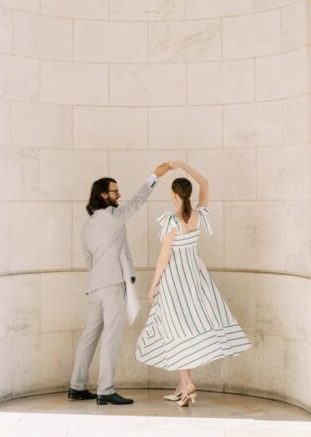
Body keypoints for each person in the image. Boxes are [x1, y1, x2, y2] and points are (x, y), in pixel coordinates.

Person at [135, 160, 251, 406]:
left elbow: (164, 257)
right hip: (196, 276)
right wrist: (183, 165)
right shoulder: (199, 216)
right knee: (185, 325)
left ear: (174, 194)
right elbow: (205, 183)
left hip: (175, 279)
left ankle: (187, 384)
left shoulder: (171, 221)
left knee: (176, 328)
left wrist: (153, 285)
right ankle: (181, 387)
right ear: (188, 194)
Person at [69, 162, 173, 405]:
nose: (120, 195)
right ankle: (105, 390)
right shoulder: (113, 216)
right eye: (115, 192)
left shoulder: (87, 225)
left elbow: (89, 258)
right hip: (113, 285)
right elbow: (137, 201)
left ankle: (77, 386)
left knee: (89, 336)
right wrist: (154, 177)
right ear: (104, 195)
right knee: (111, 337)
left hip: (95, 286)